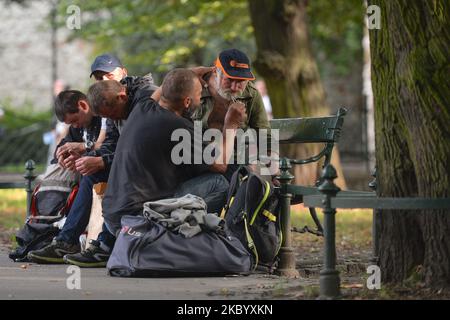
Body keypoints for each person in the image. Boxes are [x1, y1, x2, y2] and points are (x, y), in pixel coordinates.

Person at [77, 68, 246, 246]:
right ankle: (179, 240)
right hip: (139, 221)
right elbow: (220, 164)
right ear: (187, 102)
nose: (201, 98)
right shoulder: (178, 128)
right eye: (198, 94)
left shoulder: (142, 108)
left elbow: (159, 92)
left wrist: (186, 72)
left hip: (112, 219)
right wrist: (231, 124)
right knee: (219, 183)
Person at [27, 90, 106, 263]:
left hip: (110, 170)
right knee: (71, 170)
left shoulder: (103, 116)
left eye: (75, 120)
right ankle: (51, 231)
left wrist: (85, 149)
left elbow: (110, 146)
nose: (76, 126)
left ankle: (66, 240)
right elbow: (62, 147)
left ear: (83, 106)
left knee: (89, 174)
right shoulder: (78, 126)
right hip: (93, 172)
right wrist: (64, 156)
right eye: (71, 124)